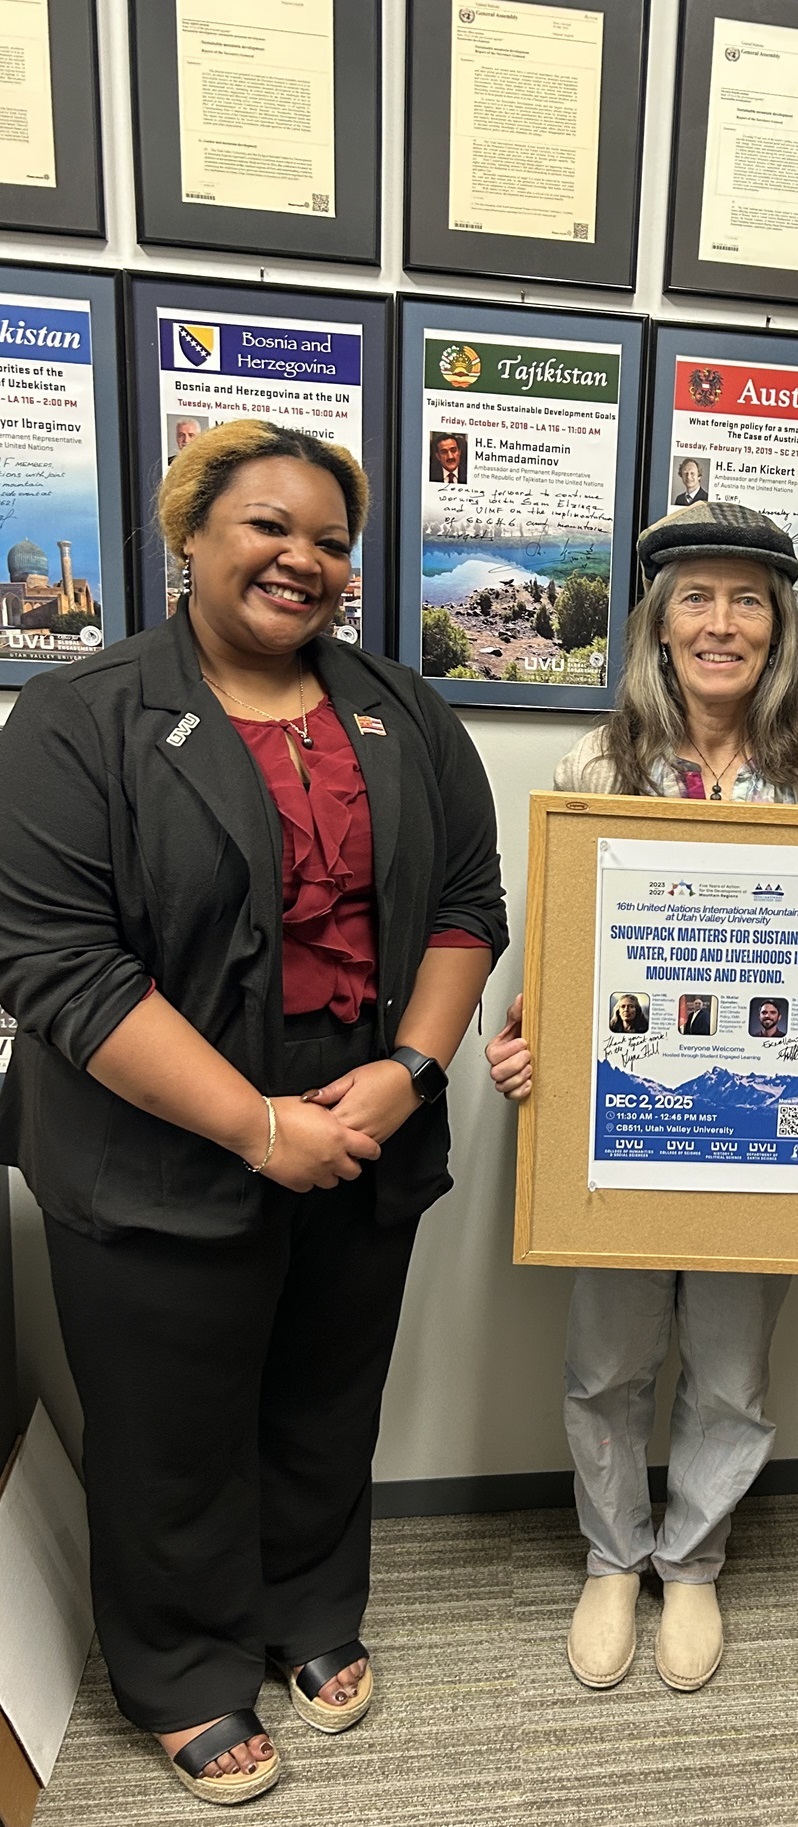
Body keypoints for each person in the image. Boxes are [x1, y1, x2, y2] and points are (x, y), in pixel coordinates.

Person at [0, 420, 507, 1806]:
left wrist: (407, 1072)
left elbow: (468, 905)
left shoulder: (403, 711)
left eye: (332, 540)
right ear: (190, 536)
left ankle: (306, 1609)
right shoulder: (77, 715)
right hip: (155, 1125)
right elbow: (60, 965)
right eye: (268, 526)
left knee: (325, 1393)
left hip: (365, 1110)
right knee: (172, 1420)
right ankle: (180, 1667)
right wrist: (254, 1124)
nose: (304, 558)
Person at [486, 501, 798, 1695]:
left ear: (780, 622)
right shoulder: (598, 764)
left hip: (762, 1130)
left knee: (731, 1374)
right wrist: (520, 1040)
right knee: (604, 1366)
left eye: (747, 599)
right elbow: (558, 960)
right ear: (659, 622)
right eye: (695, 597)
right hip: (626, 1118)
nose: (720, 623)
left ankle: (691, 1563)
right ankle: (612, 1556)